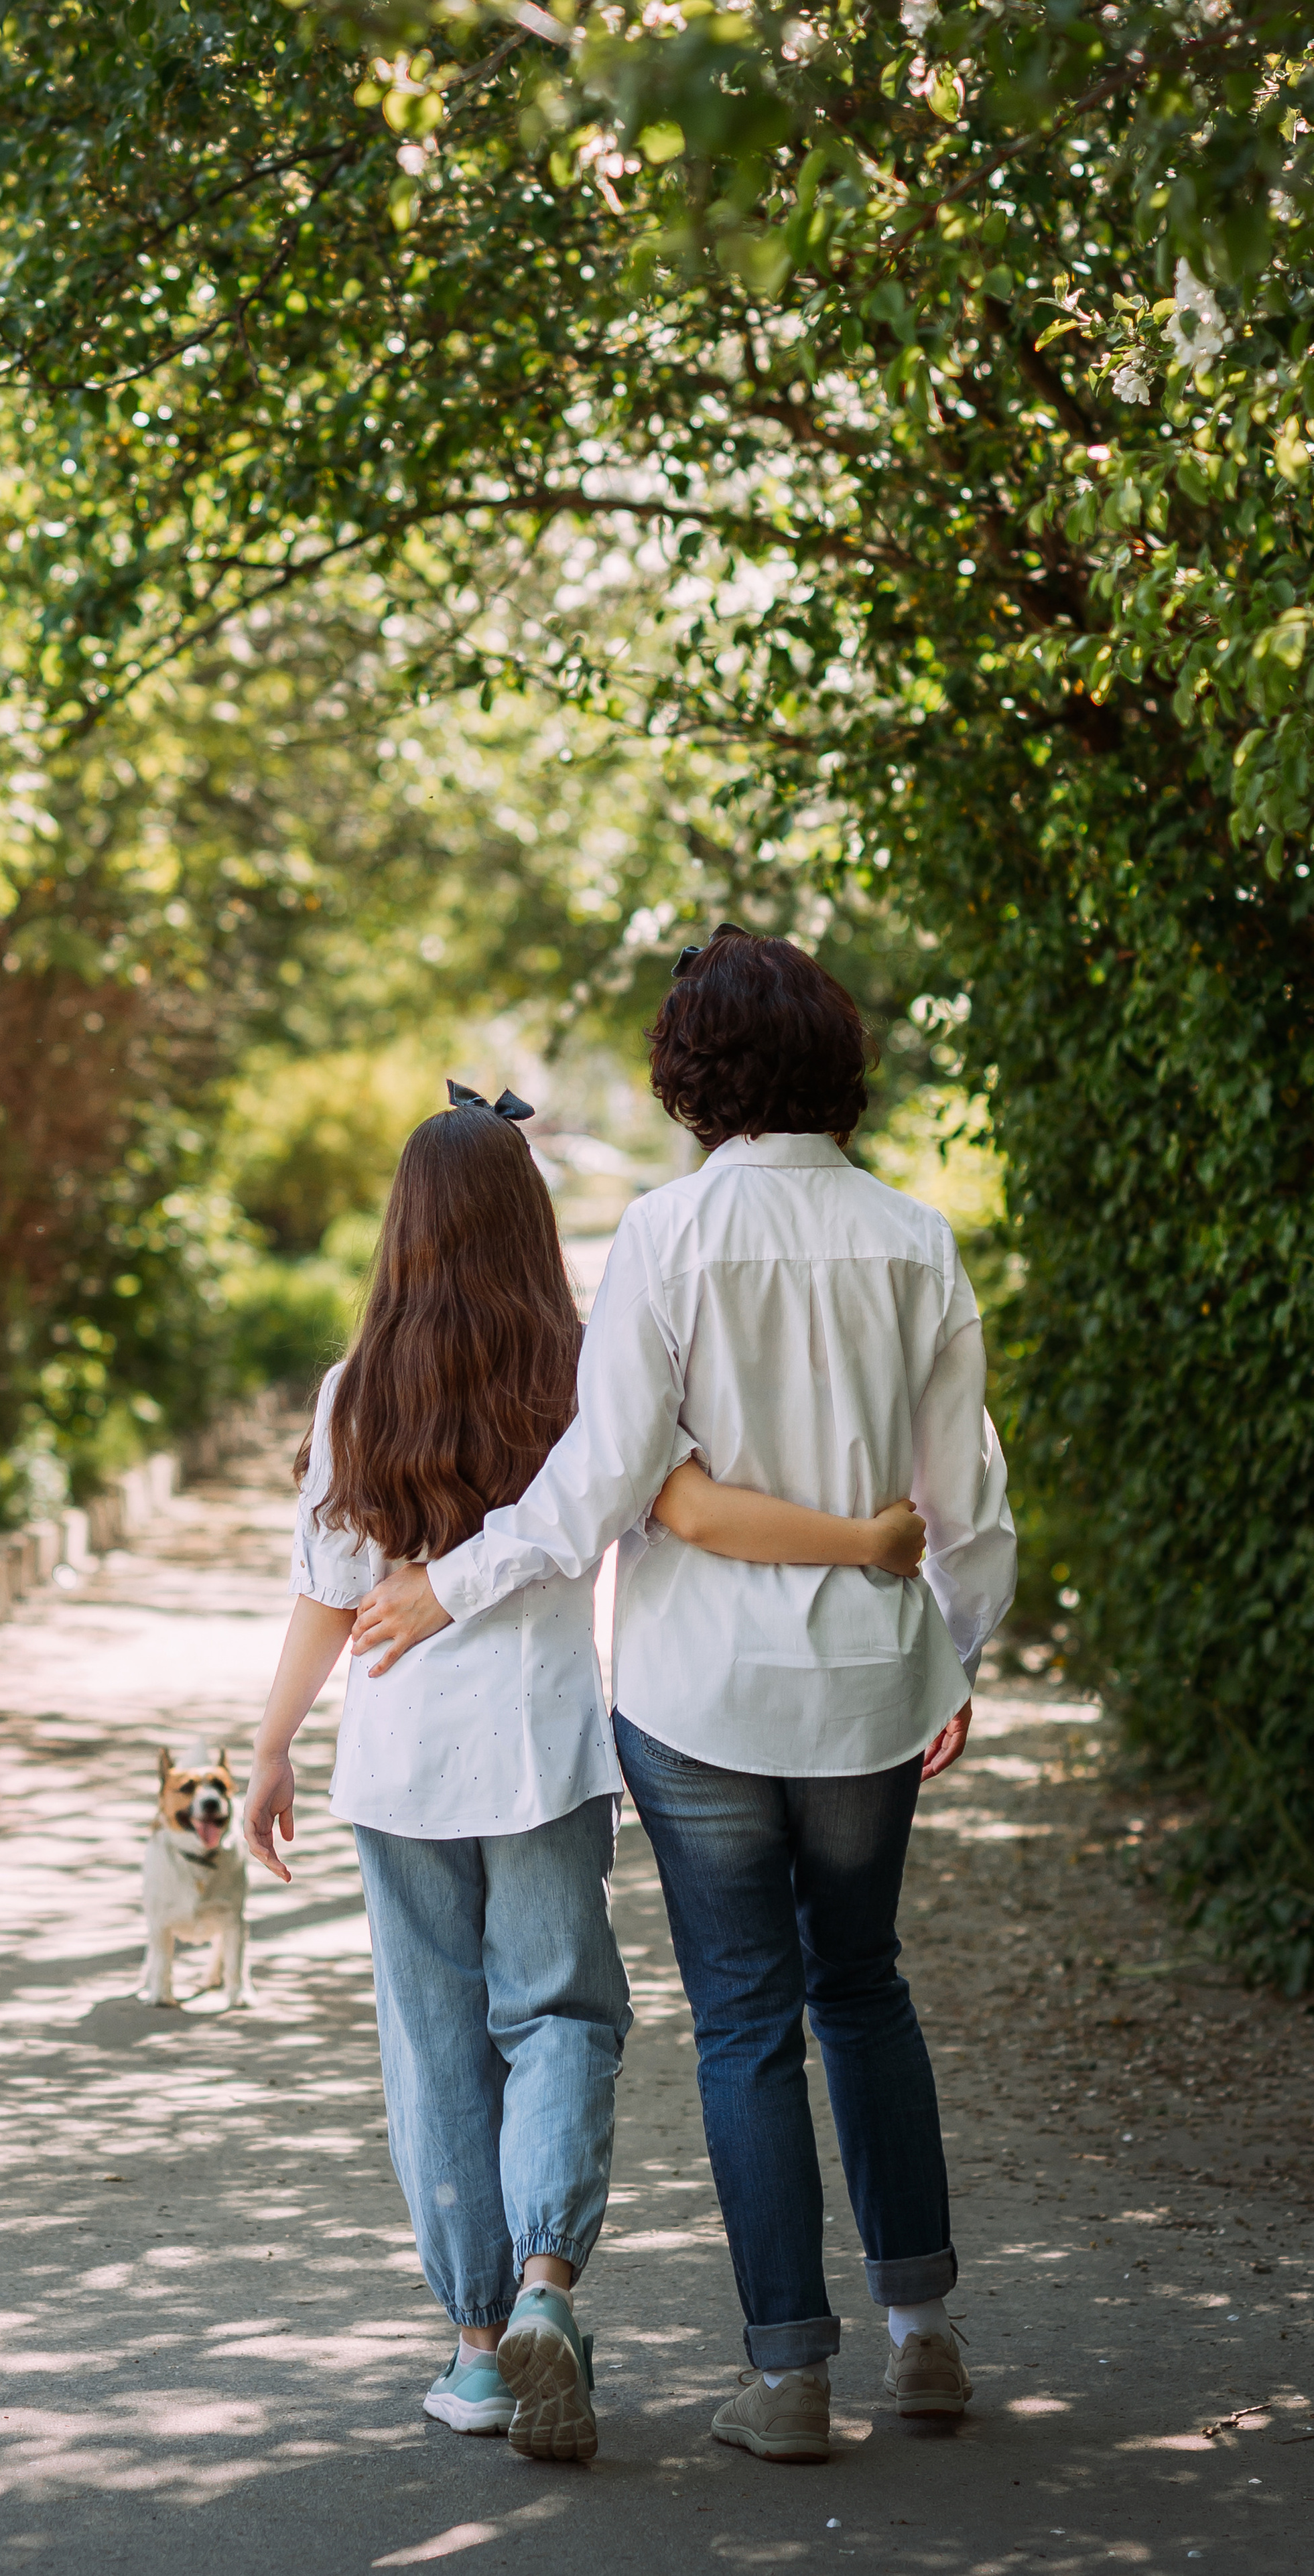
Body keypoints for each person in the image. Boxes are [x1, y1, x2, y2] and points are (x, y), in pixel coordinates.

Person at [352, 933, 1018, 2466]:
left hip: (697, 1698)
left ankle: (786, 2378)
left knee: (741, 2023)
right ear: (835, 1063)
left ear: (688, 1074)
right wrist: (953, 1651)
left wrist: (442, 1586)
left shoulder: (665, 1232)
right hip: (866, 1687)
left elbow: (597, 1486)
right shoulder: (916, 1240)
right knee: (862, 1986)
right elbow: (966, 1499)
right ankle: (922, 2342)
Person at [242, 1079, 933, 2465]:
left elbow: (327, 1593)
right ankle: (550, 2288)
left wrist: (269, 1752)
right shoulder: (573, 1366)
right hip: (546, 1754)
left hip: (396, 1769)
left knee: (436, 2053)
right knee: (559, 2016)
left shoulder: (349, 1393)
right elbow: (646, 1512)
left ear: (401, 1233)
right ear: (527, 1222)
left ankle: (477, 2351)